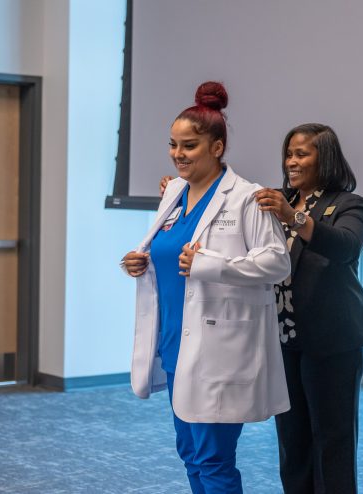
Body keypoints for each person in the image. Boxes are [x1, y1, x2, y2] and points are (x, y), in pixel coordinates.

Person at [121, 81, 291, 494]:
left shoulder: (246, 198)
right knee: (190, 455)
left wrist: (211, 265)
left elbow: (276, 262)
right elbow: (167, 253)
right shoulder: (175, 193)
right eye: (173, 145)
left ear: (216, 147)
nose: (178, 154)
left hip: (220, 349)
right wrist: (140, 263)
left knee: (214, 460)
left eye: (190, 145)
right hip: (175, 343)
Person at [254, 123, 363, 493]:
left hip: (333, 341)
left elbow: (345, 246)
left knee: (332, 441)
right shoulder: (277, 200)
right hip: (285, 339)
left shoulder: (349, 204)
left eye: (301, 153)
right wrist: (180, 189)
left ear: (324, 158)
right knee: (292, 442)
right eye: (288, 154)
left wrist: (294, 218)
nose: (291, 161)